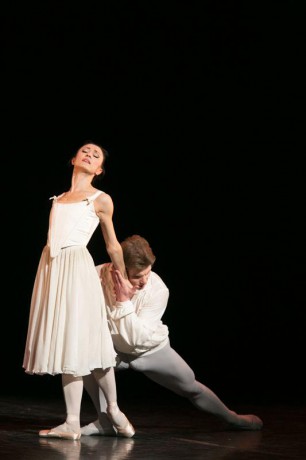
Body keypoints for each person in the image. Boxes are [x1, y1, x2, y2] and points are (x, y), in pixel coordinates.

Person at [81, 235, 263, 436]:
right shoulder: (98, 276)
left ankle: (232, 418)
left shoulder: (158, 290)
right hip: (113, 348)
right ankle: (105, 420)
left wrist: (124, 301)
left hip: (148, 349)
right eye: (136, 276)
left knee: (190, 386)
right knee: (83, 361)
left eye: (147, 273)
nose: (144, 281)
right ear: (120, 269)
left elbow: (135, 339)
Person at [23, 142, 135, 440]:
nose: (89, 155)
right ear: (73, 159)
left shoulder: (99, 199)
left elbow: (112, 244)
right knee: (66, 340)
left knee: (89, 337)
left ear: (99, 170)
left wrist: (122, 276)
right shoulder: (57, 200)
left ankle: (113, 408)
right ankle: (72, 421)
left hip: (76, 267)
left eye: (95, 155)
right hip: (52, 268)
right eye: (85, 151)